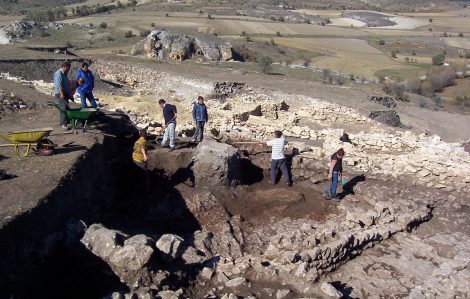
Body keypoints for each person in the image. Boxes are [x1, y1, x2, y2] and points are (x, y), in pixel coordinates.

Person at [53, 61, 73, 129]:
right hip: (59, 93)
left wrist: (69, 93)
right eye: (68, 68)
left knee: (67, 108)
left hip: (65, 93)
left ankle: (67, 122)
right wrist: (61, 94)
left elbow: (66, 83)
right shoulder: (58, 73)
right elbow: (58, 85)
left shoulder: (64, 73)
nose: (69, 70)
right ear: (64, 67)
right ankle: (63, 124)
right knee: (63, 107)